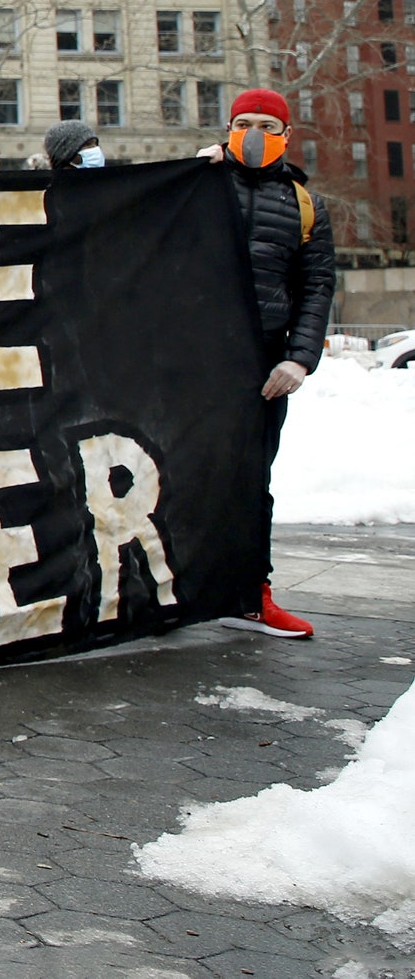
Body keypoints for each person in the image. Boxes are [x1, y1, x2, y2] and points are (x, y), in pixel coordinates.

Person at [201, 88, 334, 640]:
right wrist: (187, 175)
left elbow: (317, 285)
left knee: (252, 480)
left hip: (262, 363)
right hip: (196, 356)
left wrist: (300, 359)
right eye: (241, 122)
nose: (252, 132)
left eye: (265, 123)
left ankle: (252, 593)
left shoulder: (306, 205)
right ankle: (169, 591)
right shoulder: (200, 185)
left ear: (286, 133)